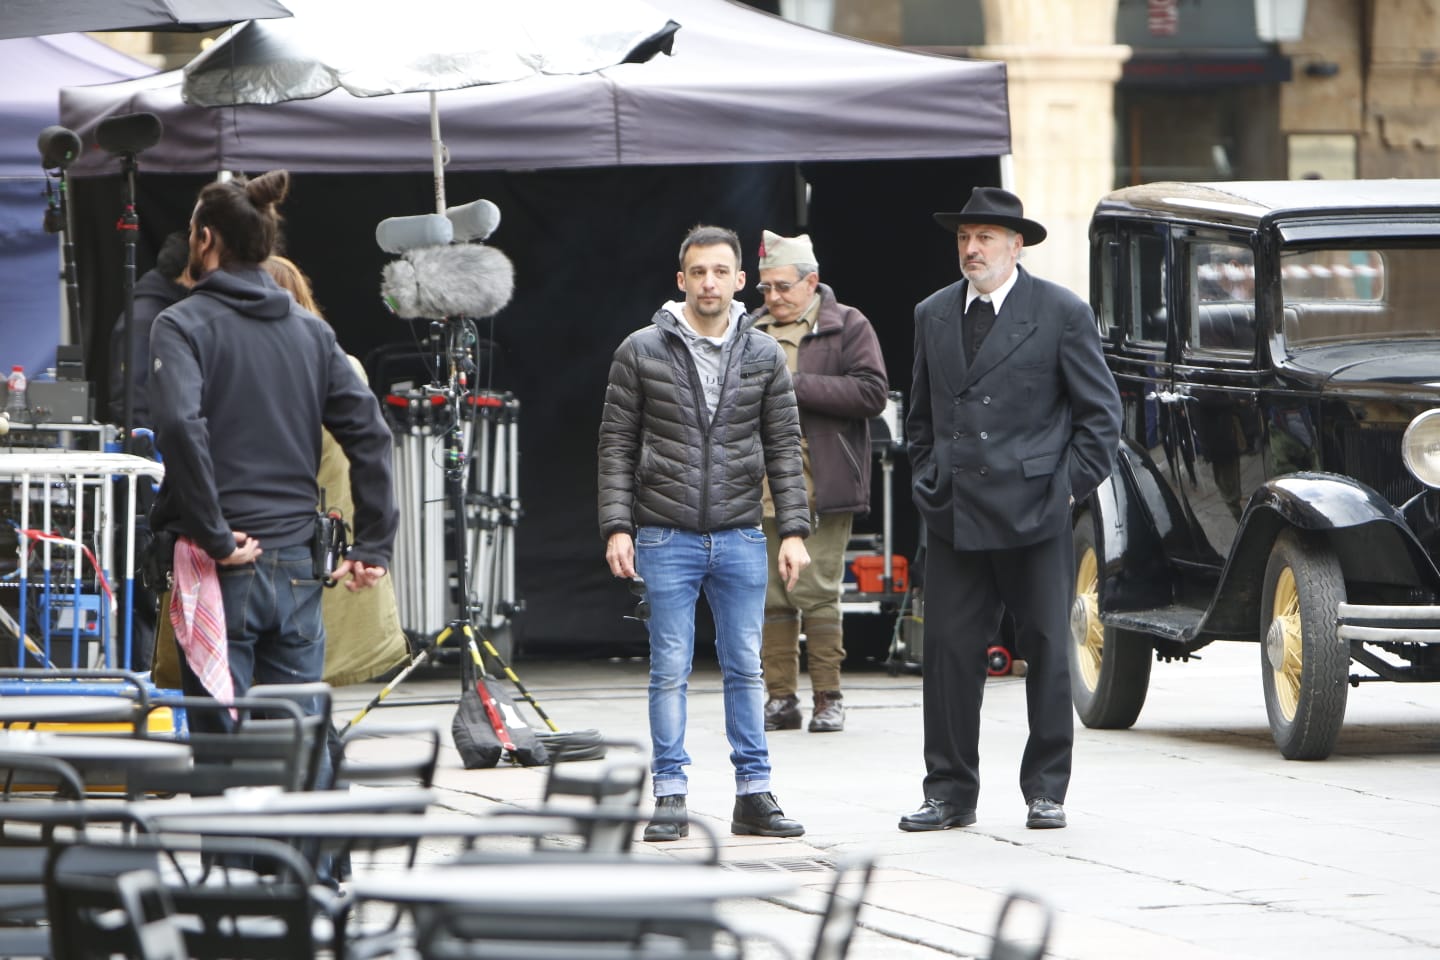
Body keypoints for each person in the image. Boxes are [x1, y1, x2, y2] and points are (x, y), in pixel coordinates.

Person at [148, 170, 397, 737]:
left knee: (221, 746)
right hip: (297, 562)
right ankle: (307, 800)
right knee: (300, 741)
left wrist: (214, 534)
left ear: (205, 238)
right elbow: (370, 433)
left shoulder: (181, 323)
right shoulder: (311, 333)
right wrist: (374, 543)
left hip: (222, 562)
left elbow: (180, 425)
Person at [902, 187, 1121, 832]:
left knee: (1048, 650)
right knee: (947, 655)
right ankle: (948, 793)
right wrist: (928, 478)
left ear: (1015, 245)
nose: (971, 249)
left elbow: (1101, 418)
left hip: (1035, 513)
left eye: (985, 238)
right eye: (964, 237)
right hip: (954, 513)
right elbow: (920, 416)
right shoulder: (932, 313)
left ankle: (1046, 790)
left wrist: (1065, 489)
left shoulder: (1061, 311)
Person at [598, 224, 812, 842]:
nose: (709, 283)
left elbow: (784, 446)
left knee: (746, 667)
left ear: (740, 280)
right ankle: (670, 795)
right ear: (681, 280)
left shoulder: (764, 353)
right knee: (669, 668)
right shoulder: (641, 349)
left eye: (721, 272)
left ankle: (754, 794)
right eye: (698, 272)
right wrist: (617, 526)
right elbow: (615, 445)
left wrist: (793, 530)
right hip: (665, 534)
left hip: (742, 533)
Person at [751, 230, 887, 734]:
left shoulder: (846, 324)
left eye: (783, 286)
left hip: (823, 479)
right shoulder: (749, 329)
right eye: (765, 287)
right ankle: (780, 699)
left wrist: (794, 385)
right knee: (770, 592)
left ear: (812, 282)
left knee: (818, 589)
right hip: (760, 480)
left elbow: (872, 393)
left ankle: (829, 696)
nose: (773, 297)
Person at [260, 254, 409, 687]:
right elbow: (369, 449)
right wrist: (372, 544)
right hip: (319, 540)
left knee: (257, 684)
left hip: (268, 538)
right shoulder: (337, 363)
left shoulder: (243, 366)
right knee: (302, 683)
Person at [109, 229, 190, 428]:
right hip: (153, 443)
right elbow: (131, 401)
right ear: (188, 271)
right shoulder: (144, 322)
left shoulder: (161, 312)